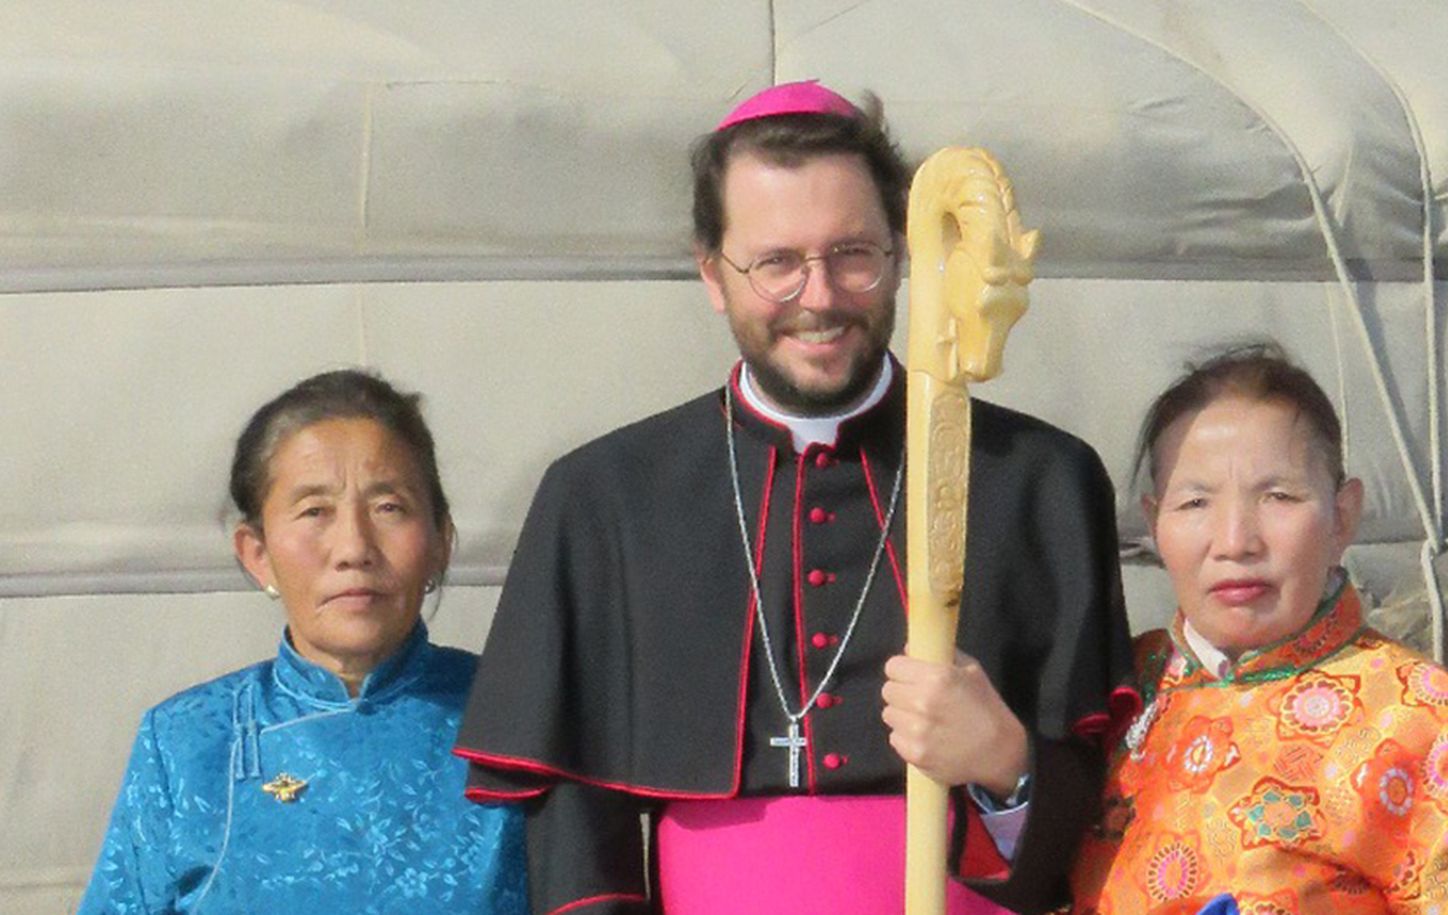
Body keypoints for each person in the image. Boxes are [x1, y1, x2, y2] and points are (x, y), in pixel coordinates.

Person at [454, 80, 1135, 915]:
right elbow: (575, 826)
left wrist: (1007, 764)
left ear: (899, 253)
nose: (819, 298)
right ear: (714, 274)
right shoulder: (604, 497)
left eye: (853, 254)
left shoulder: (1034, 479)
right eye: (777, 262)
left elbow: (1092, 809)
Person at [1062, 343, 1448, 914]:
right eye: (1195, 502)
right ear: (1156, 524)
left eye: (1278, 497)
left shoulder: (1424, 724)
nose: (1234, 542)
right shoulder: (1117, 691)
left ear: (1342, 517)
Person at [78, 369, 528, 914]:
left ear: (440, 541)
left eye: (389, 507)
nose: (353, 548)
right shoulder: (187, 742)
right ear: (256, 553)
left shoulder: (517, 724)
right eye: (315, 511)